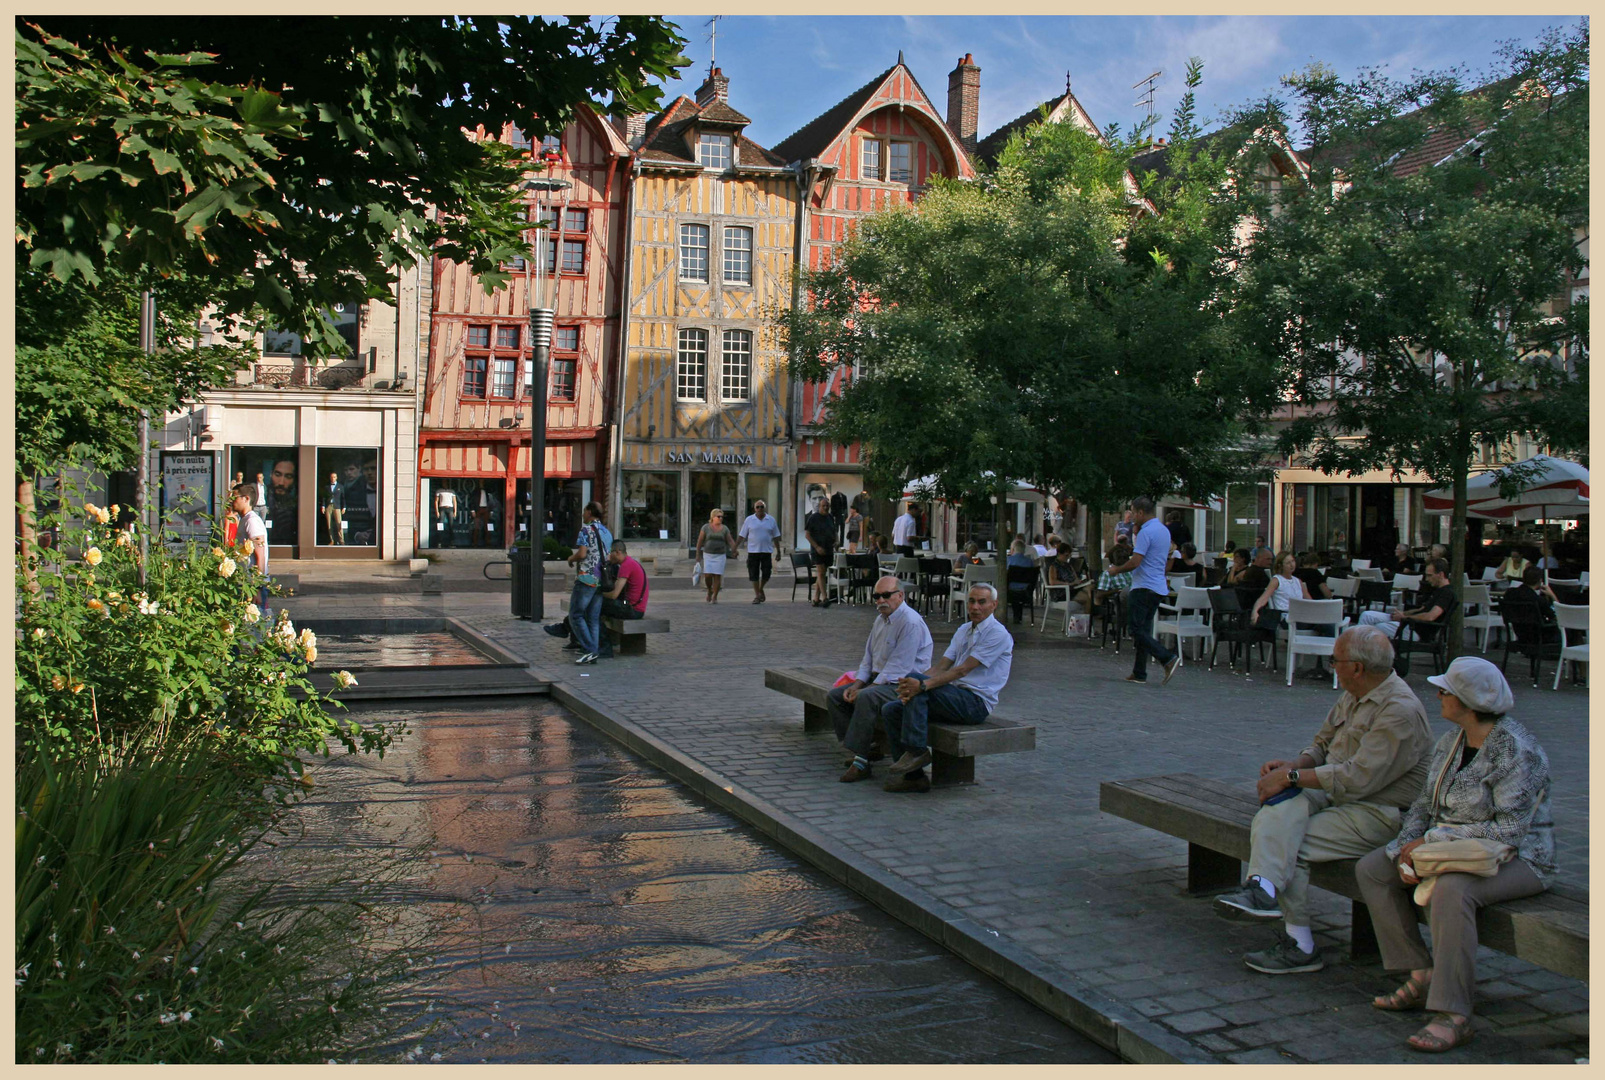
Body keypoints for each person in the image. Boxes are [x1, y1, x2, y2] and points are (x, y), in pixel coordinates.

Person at [1355, 656, 1552, 1053]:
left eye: (1444, 691)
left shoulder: (1516, 750)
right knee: (1374, 869)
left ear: (1466, 700)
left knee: (1452, 891)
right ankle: (1420, 971)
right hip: (1448, 847)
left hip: (1518, 858)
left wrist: (1431, 843)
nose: (1438, 696)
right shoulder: (1451, 741)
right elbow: (1423, 806)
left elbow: (1511, 830)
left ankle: (1454, 1013)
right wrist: (1407, 849)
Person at [1214, 626, 1434, 976]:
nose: (1331, 665)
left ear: (1357, 667)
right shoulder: (1354, 691)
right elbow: (1322, 744)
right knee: (1279, 806)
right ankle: (1263, 889)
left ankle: (1299, 942)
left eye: (1335, 660)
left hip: (1380, 811)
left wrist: (1290, 777)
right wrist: (1293, 767)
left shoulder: (1399, 711)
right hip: (1336, 796)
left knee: (1289, 845)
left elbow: (1358, 778)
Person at [876, 582, 1013, 793]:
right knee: (891, 709)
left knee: (919, 688)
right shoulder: (964, 629)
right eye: (971, 601)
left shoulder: (998, 634)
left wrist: (921, 685)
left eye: (982, 602)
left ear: (994, 605)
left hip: (974, 703)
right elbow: (942, 666)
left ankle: (916, 751)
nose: (975, 607)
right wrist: (910, 686)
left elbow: (962, 671)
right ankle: (913, 777)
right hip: (952, 697)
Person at [832, 576, 934, 784]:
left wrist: (865, 689)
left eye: (885, 595)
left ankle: (860, 762)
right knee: (835, 696)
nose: (880, 600)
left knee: (867, 697)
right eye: (876, 596)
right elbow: (868, 658)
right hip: (878, 679)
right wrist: (858, 684)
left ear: (900, 595)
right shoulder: (880, 619)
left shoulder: (910, 622)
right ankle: (865, 748)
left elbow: (898, 667)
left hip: (903, 684)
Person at [1107, 496, 1180, 685]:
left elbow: (1135, 562)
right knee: (1144, 630)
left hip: (1143, 586)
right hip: (1158, 585)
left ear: (1140, 512)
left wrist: (1116, 569)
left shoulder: (1146, 533)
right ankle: (1139, 672)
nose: (1131, 517)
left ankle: (1167, 658)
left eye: (1132, 512)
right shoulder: (1163, 530)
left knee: (1135, 629)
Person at [558, 501, 611, 665]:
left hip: (586, 577)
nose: (582, 514)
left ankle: (589, 649)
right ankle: (593, 652)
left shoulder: (586, 529)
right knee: (593, 618)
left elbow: (582, 554)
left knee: (576, 614)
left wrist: (570, 558)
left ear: (589, 512)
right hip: (601, 579)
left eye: (584, 511)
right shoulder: (606, 531)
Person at [1359, 558, 1453, 638]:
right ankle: (1357, 648)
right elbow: (1421, 609)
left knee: (1378, 627)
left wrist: (1405, 617)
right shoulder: (1437, 590)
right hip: (1408, 623)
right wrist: (1402, 613)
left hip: (1416, 630)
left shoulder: (1446, 593)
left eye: (1429, 575)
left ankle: (1360, 651)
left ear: (1440, 574)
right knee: (1366, 615)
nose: (1427, 579)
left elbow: (1430, 616)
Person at [593, 540, 649, 659]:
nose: (609, 556)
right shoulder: (630, 562)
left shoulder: (626, 566)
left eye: (611, 552)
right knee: (599, 605)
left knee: (595, 606)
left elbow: (614, 594)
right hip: (632, 605)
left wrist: (597, 593)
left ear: (617, 552)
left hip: (632, 609)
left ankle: (605, 647)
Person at [231, 485, 271, 615]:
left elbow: (260, 556)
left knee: (255, 628)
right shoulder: (245, 520)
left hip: (253, 586)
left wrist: (257, 588)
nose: (231, 500)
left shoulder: (252, 521)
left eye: (235, 497)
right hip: (246, 583)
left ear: (246, 499)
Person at [1249, 553, 1313, 630]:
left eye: (1292, 561)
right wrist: (1255, 611)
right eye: (1288, 563)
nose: (1291, 565)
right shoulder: (1277, 580)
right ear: (1280, 565)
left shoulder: (1298, 581)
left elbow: (1310, 601)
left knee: (1326, 623)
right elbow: (1264, 598)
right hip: (1287, 617)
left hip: (1301, 615)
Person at [737, 500, 783, 604]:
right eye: (757, 507)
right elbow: (742, 535)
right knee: (754, 574)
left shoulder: (771, 520)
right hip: (753, 551)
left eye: (762, 507)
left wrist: (778, 551)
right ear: (754, 509)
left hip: (766, 551)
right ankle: (757, 595)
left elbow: (776, 536)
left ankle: (760, 588)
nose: (760, 509)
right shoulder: (749, 520)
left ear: (765, 508)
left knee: (767, 573)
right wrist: (735, 547)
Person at [695, 508, 735, 604]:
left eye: (722, 517)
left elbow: (730, 540)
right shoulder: (706, 527)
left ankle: (715, 596)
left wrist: (734, 549)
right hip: (708, 554)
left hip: (720, 555)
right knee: (708, 575)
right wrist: (698, 553)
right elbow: (700, 540)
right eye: (718, 516)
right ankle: (709, 590)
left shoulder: (725, 528)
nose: (720, 518)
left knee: (717, 575)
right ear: (713, 517)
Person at [804, 497, 837, 607]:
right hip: (817, 549)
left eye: (827, 506)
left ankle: (816, 598)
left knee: (822, 573)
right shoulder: (813, 518)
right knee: (821, 571)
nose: (826, 508)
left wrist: (836, 541)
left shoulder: (830, 517)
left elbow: (834, 531)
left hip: (828, 549)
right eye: (823, 506)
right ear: (819, 507)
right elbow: (807, 535)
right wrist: (817, 547)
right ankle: (825, 597)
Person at [1004, 537, 1037, 624]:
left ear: (1013, 549)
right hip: (1026, 592)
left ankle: (1013, 616)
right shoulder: (1029, 562)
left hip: (1009, 592)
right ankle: (1018, 617)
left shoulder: (1008, 560)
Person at [321, 471, 346, 545]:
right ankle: (332, 540)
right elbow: (324, 498)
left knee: (339, 523)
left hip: (337, 506)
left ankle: (341, 540)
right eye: (331, 477)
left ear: (336, 478)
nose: (333, 478)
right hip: (329, 506)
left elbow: (343, 498)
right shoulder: (327, 487)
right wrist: (323, 506)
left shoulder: (340, 486)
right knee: (329, 524)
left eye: (334, 477)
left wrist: (344, 507)